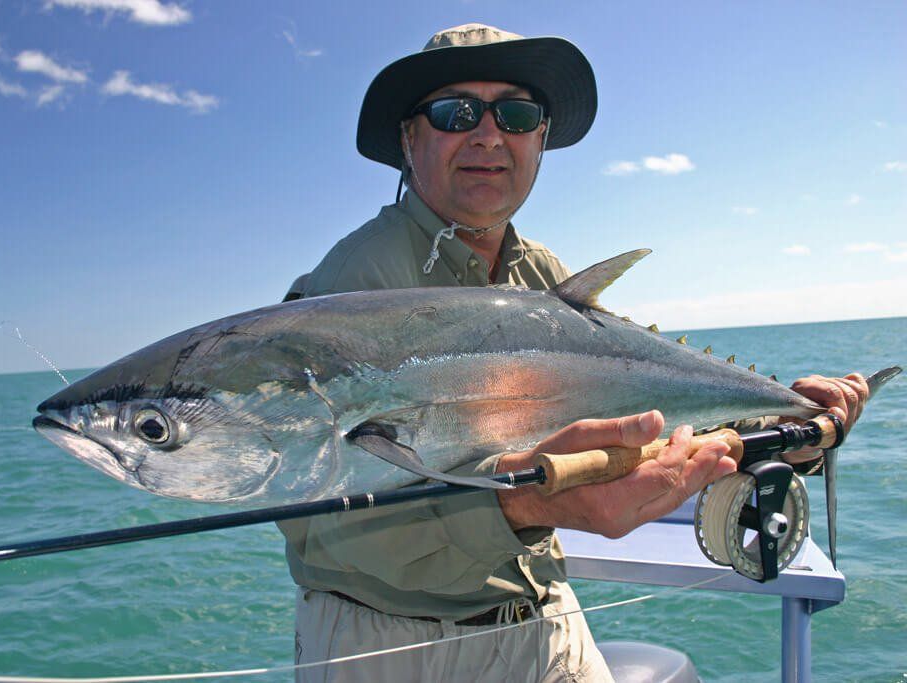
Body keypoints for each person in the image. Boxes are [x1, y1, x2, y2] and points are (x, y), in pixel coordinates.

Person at [279, 23, 869, 682]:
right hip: (393, 644)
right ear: (409, 139)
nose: (487, 134)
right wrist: (529, 504)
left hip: (546, 616)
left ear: (539, 140)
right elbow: (321, 522)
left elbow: (640, 414)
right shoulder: (356, 285)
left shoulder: (542, 276)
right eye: (455, 112)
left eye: (517, 113)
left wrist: (786, 429)